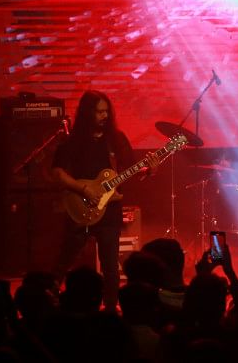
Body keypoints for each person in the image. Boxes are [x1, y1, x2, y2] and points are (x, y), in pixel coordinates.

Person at [51, 90, 158, 310]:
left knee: (110, 267)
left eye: (106, 111)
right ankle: (49, 299)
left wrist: (149, 170)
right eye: (99, 112)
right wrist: (83, 189)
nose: (104, 116)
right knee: (64, 261)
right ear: (87, 113)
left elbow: (131, 169)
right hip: (79, 206)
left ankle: (110, 310)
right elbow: (58, 173)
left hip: (109, 211)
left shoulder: (116, 140)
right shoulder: (73, 141)